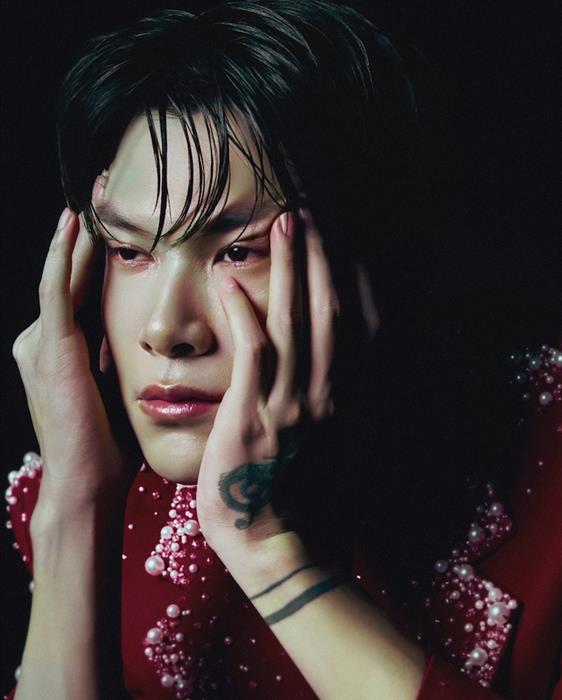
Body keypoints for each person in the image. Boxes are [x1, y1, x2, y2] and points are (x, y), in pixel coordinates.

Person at [4, 1, 561, 698]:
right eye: (129, 251)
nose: (167, 329)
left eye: (240, 250)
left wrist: (270, 554)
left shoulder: (546, 466)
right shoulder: (92, 493)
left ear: (370, 264)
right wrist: (73, 510)